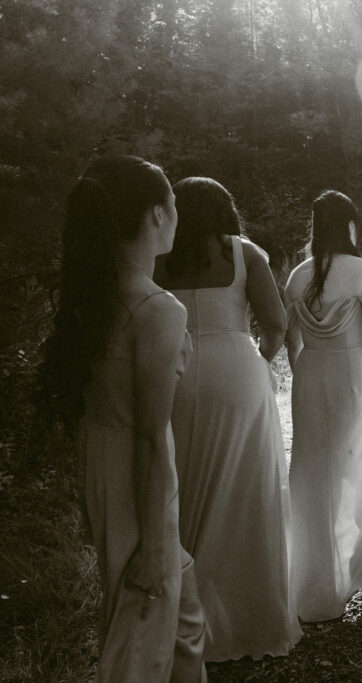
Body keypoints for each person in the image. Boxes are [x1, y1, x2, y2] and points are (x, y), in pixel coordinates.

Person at [35, 155, 207, 681]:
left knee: (181, 618)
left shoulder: (95, 297)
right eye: (174, 204)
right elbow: (152, 436)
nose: (177, 214)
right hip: (139, 481)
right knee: (140, 633)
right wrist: (155, 545)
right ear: (156, 215)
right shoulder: (157, 308)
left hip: (105, 470)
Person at [153, 177, 301, 661]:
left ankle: (184, 623)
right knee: (247, 492)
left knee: (183, 485)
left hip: (173, 373)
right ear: (225, 210)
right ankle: (250, 620)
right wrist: (260, 360)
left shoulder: (159, 255)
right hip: (237, 370)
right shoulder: (247, 254)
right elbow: (276, 323)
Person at [283, 190, 362, 622]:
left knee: (314, 477)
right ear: (350, 225)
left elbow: (292, 341)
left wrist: (306, 375)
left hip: (311, 378)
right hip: (356, 376)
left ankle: (314, 588)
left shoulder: (298, 276)